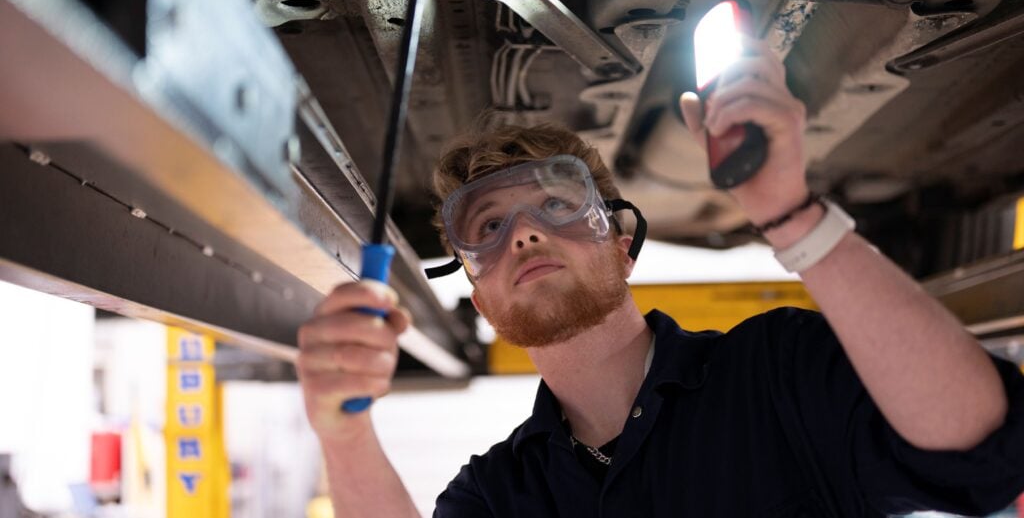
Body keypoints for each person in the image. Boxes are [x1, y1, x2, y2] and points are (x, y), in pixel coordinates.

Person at [296, 38, 1024, 516]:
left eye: (556, 204)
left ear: (622, 243)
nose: (523, 232)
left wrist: (796, 218)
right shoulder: (498, 494)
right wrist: (343, 432)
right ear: (480, 297)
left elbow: (984, 448)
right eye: (487, 227)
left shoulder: (777, 370)